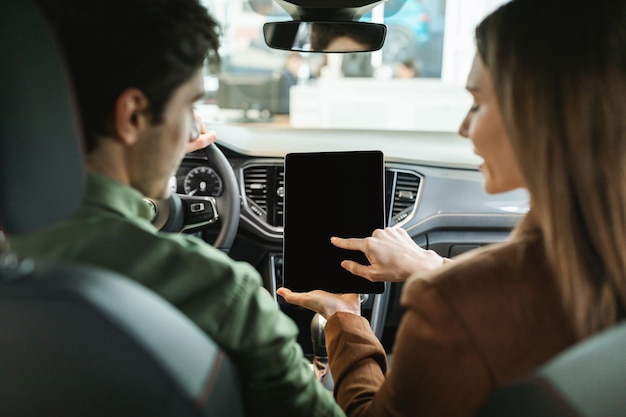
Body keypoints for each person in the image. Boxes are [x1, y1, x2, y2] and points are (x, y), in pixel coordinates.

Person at [277, 0, 626, 416]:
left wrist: (345, 317)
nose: (463, 127)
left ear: (542, 113)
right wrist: (431, 266)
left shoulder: (453, 306)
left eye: (477, 104)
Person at [8, 1, 345, 416]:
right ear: (131, 115)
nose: (192, 128)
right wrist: (349, 326)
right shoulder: (221, 293)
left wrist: (146, 157)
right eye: (188, 106)